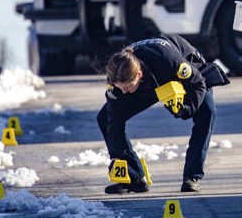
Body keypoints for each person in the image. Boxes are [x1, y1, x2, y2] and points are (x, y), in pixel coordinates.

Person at [97, 34, 229, 194]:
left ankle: (192, 177)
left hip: (184, 74)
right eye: (120, 87)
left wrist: (187, 109)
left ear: (138, 75)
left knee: (207, 113)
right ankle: (134, 178)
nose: (124, 91)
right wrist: (120, 161)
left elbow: (197, 83)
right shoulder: (117, 79)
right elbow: (113, 122)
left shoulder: (168, 60)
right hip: (148, 82)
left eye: (127, 86)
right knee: (105, 118)